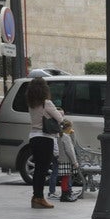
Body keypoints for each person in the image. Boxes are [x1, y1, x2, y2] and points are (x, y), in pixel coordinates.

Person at [27, 77, 65, 209]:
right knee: (42, 170)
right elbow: (59, 118)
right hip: (45, 138)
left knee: (38, 169)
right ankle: (39, 198)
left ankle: (36, 196)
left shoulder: (32, 104)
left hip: (33, 137)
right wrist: (61, 112)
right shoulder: (46, 103)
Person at [55, 120, 80, 202]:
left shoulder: (58, 136)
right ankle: (65, 196)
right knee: (66, 178)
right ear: (68, 127)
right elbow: (70, 150)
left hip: (60, 159)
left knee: (64, 178)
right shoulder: (66, 137)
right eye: (71, 127)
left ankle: (65, 194)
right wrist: (74, 162)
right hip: (66, 160)